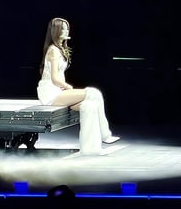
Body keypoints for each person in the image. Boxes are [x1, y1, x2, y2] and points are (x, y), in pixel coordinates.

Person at [37, 17, 120, 154]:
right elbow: (54, 79)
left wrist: (64, 87)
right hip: (50, 92)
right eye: (63, 29)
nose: (66, 31)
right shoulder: (53, 50)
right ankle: (105, 134)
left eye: (67, 28)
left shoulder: (59, 49)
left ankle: (91, 149)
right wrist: (67, 87)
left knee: (89, 106)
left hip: (57, 90)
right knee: (93, 93)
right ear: (55, 31)